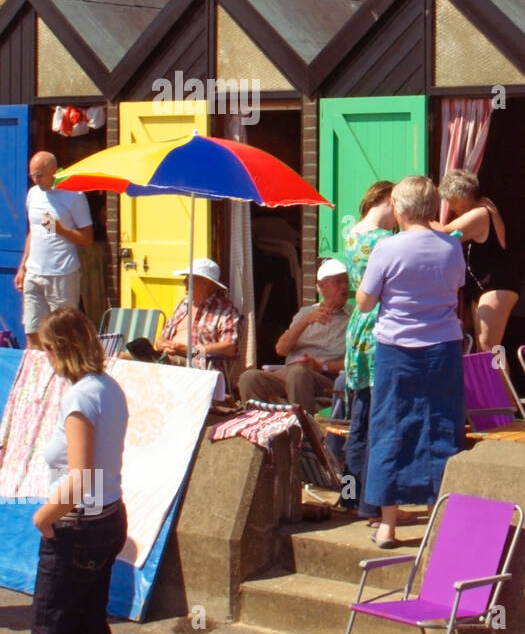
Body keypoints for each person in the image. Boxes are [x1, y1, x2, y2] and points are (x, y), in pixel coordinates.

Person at [30, 307, 129, 634]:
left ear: (59, 349)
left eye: (48, 348)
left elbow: (80, 477)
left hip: (80, 526)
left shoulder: (81, 397)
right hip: (106, 518)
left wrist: (44, 518)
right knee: (88, 628)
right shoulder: (107, 387)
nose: (45, 357)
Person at [355, 176, 465, 549]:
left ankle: (387, 526)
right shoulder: (452, 248)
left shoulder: (386, 250)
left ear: (400, 209)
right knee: (442, 425)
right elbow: (454, 289)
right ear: (432, 207)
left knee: (390, 427)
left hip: (396, 350)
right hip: (443, 347)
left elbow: (365, 303)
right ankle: (439, 517)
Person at [342, 181, 395, 521]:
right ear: (388, 200)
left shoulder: (351, 235)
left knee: (359, 420)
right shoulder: (385, 241)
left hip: (357, 331)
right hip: (380, 331)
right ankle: (373, 504)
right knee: (380, 421)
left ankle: (350, 496)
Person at [238, 259, 351, 413]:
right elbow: (281, 349)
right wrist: (306, 321)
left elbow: (357, 363)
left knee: (298, 374)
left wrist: (321, 366)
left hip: (325, 378)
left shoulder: (353, 318)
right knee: (249, 378)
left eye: (345, 281)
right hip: (289, 373)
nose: (344, 286)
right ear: (321, 286)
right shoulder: (304, 314)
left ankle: (303, 433)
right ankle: (259, 429)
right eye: (337, 282)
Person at [431, 169, 519, 352]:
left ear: (462, 197)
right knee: (486, 347)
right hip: (482, 286)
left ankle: (500, 380)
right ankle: (496, 379)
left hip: (496, 285)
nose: (451, 206)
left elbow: (444, 234)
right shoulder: (485, 207)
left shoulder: (480, 213)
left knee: (490, 348)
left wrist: (419, 219)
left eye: (451, 201)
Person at [16, 152, 92, 348]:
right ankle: (35, 375)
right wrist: (23, 266)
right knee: (32, 330)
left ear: (53, 171)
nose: (35, 180)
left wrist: (61, 230)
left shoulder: (74, 196)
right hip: (34, 272)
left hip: (62, 273)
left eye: (39, 175)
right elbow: (33, 232)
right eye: (32, 175)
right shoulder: (33, 194)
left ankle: (64, 374)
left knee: (64, 333)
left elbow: (87, 239)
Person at [152, 258, 240, 369]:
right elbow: (162, 337)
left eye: (189, 278)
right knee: (124, 357)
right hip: (166, 358)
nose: (184, 281)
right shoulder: (183, 305)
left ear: (206, 282)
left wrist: (190, 351)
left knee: (155, 363)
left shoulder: (225, 310)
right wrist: (162, 343)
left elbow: (229, 347)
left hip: (196, 364)